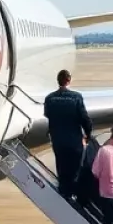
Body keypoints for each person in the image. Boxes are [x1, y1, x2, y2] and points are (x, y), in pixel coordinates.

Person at [43, 69, 92, 201]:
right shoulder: (76, 97)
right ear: (69, 80)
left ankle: (64, 190)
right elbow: (84, 118)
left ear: (58, 80)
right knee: (75, 166)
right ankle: (73, 192)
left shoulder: (50, 98)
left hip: (58, 139)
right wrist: (88, 134)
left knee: (61, 164)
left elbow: (47, 114)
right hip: (74, 139)